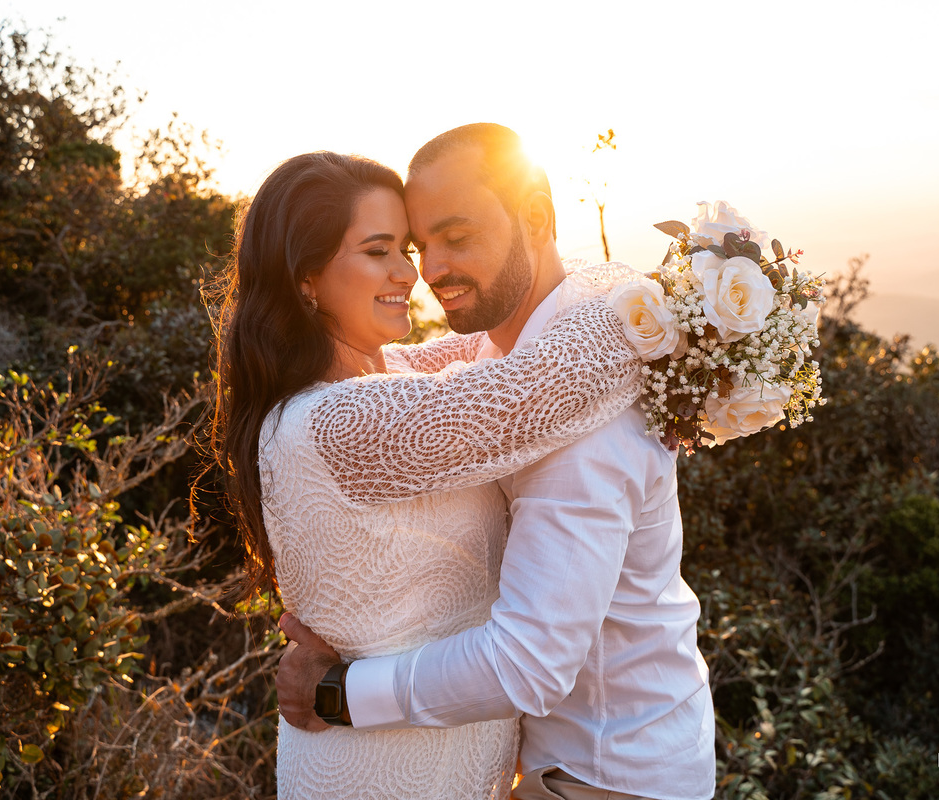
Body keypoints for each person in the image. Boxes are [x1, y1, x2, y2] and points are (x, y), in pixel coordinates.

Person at [276, 124, 716, 800]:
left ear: (535, 216)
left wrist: (340, 693)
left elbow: (529, 664)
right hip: (557, 766)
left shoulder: (581, 414)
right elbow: (395, 383)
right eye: (422, 245)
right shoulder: (511, 370)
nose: (431, 270)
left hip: (606, 773)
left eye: (459, 236)